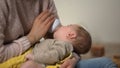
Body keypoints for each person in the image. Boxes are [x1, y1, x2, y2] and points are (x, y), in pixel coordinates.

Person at [0, 0, 117, 68]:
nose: (62, 26)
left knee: (106, 63)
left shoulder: (45, 2)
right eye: (68, 25)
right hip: (19, 60)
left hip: (47, 62)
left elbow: (65, 43)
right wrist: (32, 37)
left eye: (67, 26)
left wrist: (73, 57)